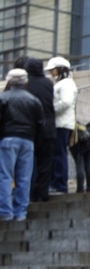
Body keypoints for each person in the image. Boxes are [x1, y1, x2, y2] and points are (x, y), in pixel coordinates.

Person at [0, 68, 43, 221]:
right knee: (24, 177)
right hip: (28, 140)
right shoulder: (33, 100)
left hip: (7, 138)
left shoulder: (3, 98)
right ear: (26, 82)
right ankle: (21, 212)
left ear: (9, 81)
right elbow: (39, 124)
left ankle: (5, 211)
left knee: (5, 175)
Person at [15, 57, 56, 203]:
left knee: (30, 164)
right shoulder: (48, 84)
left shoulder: (27, 84)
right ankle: (43, 194)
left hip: (32, 129)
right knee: (46, 163)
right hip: (49, 128)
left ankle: (31, 194)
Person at [46, 56, 76, 195]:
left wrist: (50, 108)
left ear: (60, 69)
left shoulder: (66, 84)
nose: (51, 73)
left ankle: (60, 184)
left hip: (62, 123)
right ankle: (57, 183)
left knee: (59, 154)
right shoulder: (63, 83)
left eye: (53, 70)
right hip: (60, 123)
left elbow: (66, 102)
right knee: (57, 154)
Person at [69, 119, 90, 192]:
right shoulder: (85, 112)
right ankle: (89, 186)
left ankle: (80, 187)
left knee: (79, 165)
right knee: (87, 164)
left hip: (77, 142)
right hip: (88, 139)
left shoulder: (72, 116)